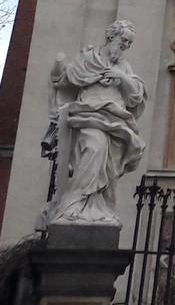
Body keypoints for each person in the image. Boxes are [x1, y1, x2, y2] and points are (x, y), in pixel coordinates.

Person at [41, 20, 149, 228]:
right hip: (89, 115)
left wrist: (120, 77)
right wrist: (58, 65)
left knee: (109, 168)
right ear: (112, 36)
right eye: (124, 40)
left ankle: (101, 208)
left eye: (129, 43)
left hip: (116, 120)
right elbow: (64, 80)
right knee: (94, 149)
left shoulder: (123, 66)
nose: (125, 45)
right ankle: (74, 203)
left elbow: (136, 94)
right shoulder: (88, 58)